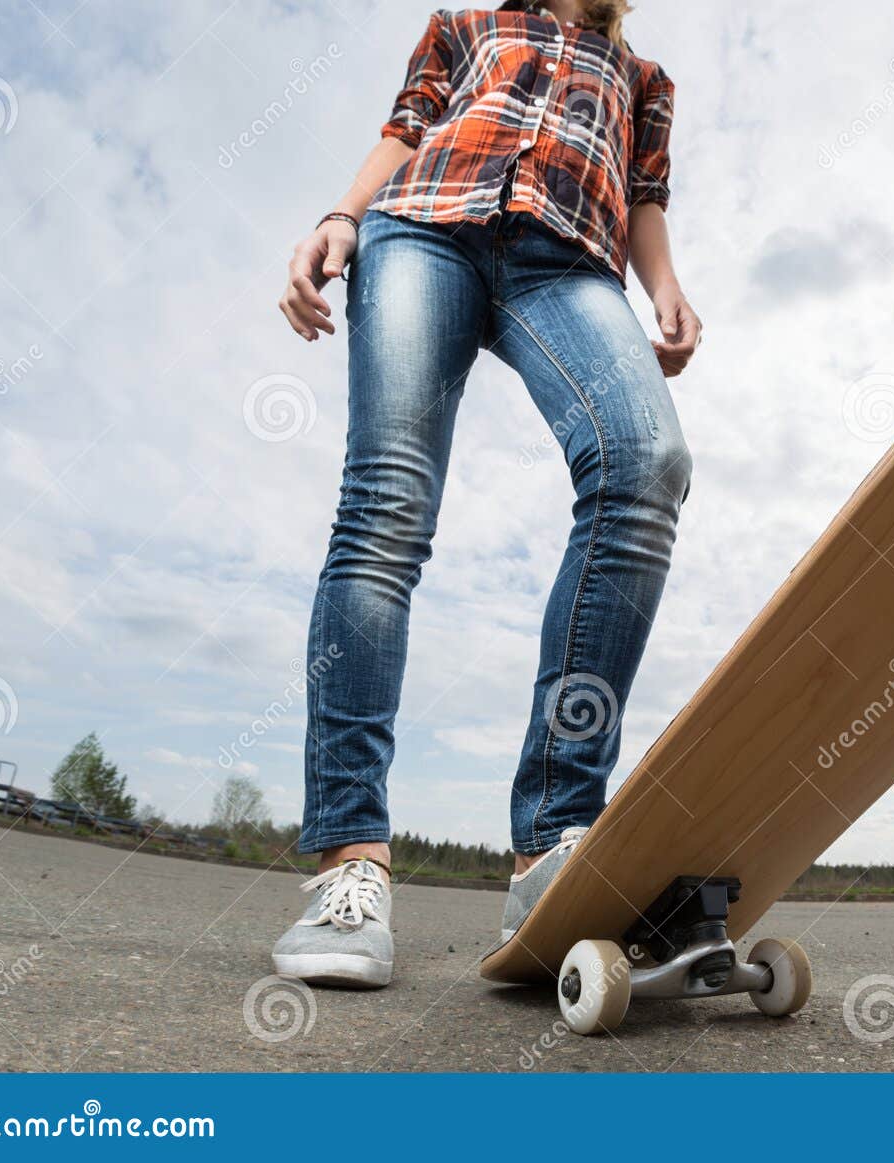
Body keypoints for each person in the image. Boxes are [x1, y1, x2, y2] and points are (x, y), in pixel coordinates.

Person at [271, 0, 700, 988]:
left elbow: (644, 195)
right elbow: (406, 129)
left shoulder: (644, 79)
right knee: (385, 510)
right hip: (424, 228)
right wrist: (340, 216)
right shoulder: (464, 24)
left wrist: (666, 285)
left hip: (570, 263)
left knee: (645, 463)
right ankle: (352, 866)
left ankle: (552, 843)